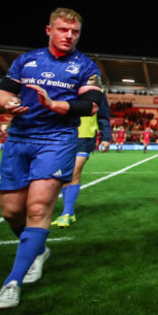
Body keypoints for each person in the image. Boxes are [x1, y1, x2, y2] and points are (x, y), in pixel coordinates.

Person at [0, 7, 104, 309]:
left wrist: (55, 104)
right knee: (11, 210)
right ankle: (38, 251)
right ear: (49, 30)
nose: (69, 36)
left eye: (75, 31)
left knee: (38, 207)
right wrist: (9, 102)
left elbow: (91, 105)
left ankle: (12, 282)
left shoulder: (86, 65)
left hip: (57, 139)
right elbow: (1, 93)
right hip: (19, 137)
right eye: (63, 30)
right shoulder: (26, 60)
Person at [51, 90, 111, 228]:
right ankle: (69, 212)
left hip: (85, 136)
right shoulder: (67, 85)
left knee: (74, 172)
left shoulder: (98, 91)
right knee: (64, 174)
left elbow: (103, 116)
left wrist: (106, 137)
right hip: (62, 134)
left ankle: (66, 213)